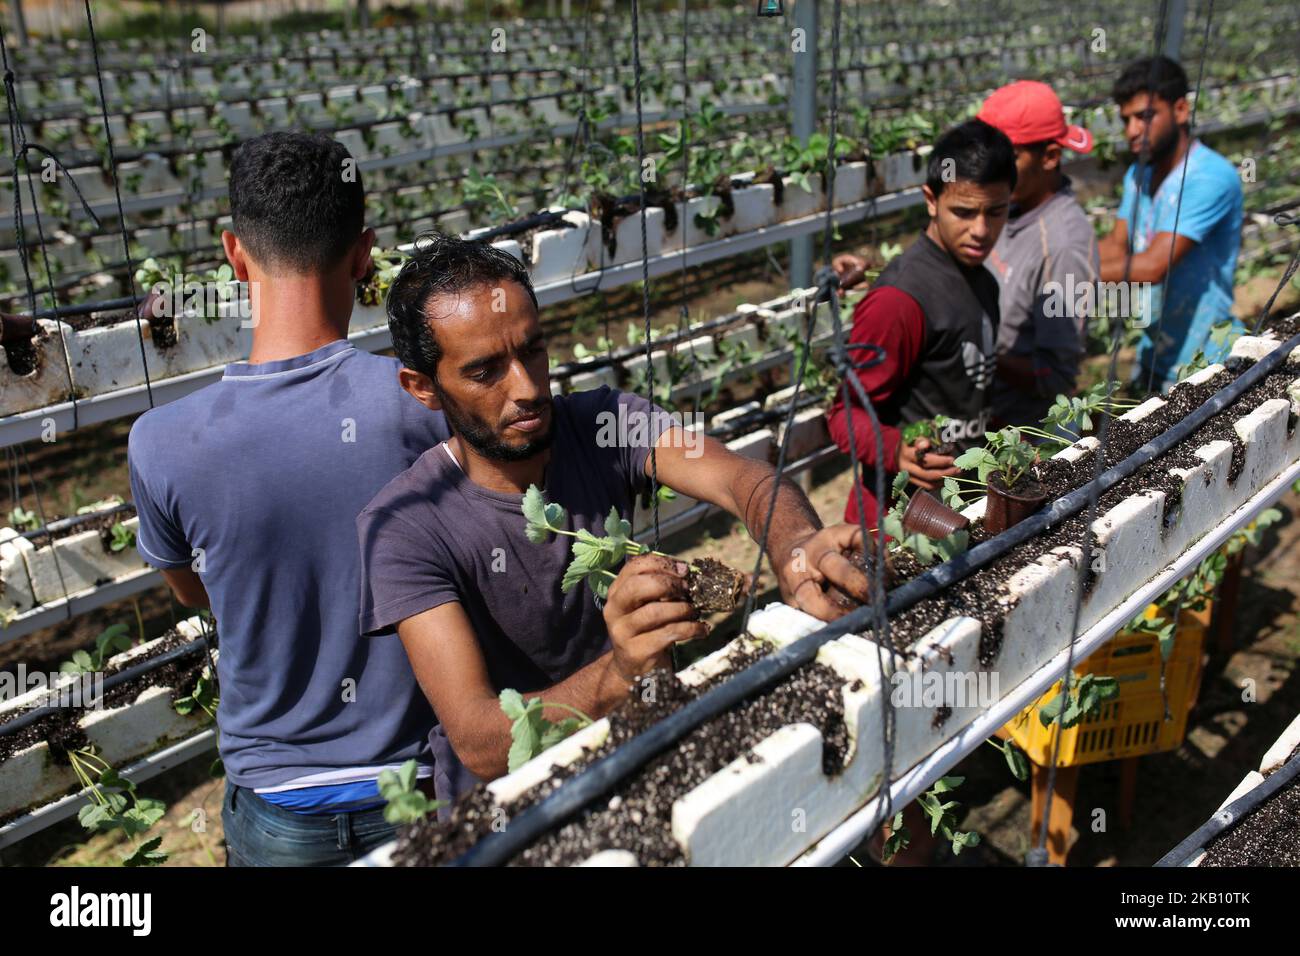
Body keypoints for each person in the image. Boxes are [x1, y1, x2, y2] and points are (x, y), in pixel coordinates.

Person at [356, 233, 871, 803]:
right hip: (516, 808)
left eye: (533, 351)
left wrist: (797, 543)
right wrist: (621, 675)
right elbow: (479, 741)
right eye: (485, 372)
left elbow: (740, 478)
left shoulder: (604, 424)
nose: (527, 388)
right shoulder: (405, 527)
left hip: (643, 758)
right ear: (423, 387)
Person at [127, 132, 449, 866]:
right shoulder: (421, 402)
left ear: (234, 254)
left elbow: (196, 593)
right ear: (366, 253)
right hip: (421, 789)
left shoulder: (161, 442)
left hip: (278, 811)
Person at [826, 119, 1015, 524]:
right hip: (896, 523)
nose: (981, 230)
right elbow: (843, 414)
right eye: (963, 212)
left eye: (995, 212)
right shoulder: (899, 301)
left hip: (960, 506)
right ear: (932, 199)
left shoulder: (982, 281)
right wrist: (894, 449)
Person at [1098, 55, 1244, 392]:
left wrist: (1064, 270)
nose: (1132, 131)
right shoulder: (1139, 173)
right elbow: (1115, 246)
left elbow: (1152, 267)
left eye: (1144, 117)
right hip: (1154, 353)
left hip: (1207, 361)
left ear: (1180, 110)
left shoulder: (1209, 177)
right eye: (1126, 120)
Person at [977, 81, 1100, 431]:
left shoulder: (1063, 245)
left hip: (1027, 445)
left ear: (1049, 156)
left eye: (1009, 155)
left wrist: (974, 348)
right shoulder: (1008, 207)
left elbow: (1055, 378)